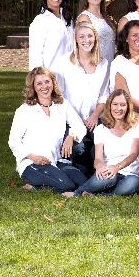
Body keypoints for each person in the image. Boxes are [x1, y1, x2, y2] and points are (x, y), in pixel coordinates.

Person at [8, 67, 87, 193]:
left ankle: (38, 185)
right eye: (39, 83)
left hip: (56, 160)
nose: (44, 86)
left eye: (47, 81)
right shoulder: (24, 110)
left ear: (53, 83)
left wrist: (71, 136)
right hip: (32, 163)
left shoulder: (62, 104)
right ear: (33, 87)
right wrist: (33, 157)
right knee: (66, 185)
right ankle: (34, 185)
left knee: (83, 182)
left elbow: (80, 126)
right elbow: (13, 141)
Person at [63, 89, 139, 196]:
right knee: (107, 178)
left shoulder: (138, 126)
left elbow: (133, 154)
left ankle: (96, 195)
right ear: (109, 106)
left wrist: (116, 167)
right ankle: (77, 193)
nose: (118, 108)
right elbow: (98, 158)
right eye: (115, 104)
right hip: (108, 171)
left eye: (123, 105)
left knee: (127, 187)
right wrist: (99, 167)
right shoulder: (101, 129)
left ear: (128, 107)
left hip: (132, 174)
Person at [54, 22, 110, 175]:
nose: (86, 40)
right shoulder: (64, 62)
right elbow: (59, 96)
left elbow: (104, 95)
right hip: (70, 120)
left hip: (94, 119)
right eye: (82, 36)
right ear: (76, 39)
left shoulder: (103, 64)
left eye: (90, 36)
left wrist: (95, 115)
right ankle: (74, 171)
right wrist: (76, 123)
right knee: (77, 148)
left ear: (95, 38)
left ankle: (94, 173)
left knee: (103, 148)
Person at [110, 20, 139, 118]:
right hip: (130, 119)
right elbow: (125, 98)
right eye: (134, 35)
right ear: (126, 38)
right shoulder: (119, 63)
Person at [28, 0, 74, 70]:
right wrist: (40, 75)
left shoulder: (68, 19)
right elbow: (35, 54)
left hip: (70, 74)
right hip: (51, 75)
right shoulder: (40, 21)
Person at [76, 0, 116, 64]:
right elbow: (83, 50)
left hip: (109, 67)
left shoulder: (105, 16)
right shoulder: (84, 18)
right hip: (96, 67)